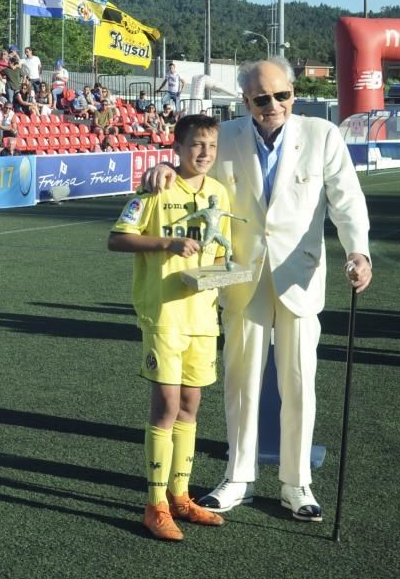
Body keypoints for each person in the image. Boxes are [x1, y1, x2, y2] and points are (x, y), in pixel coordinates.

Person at [142, 57, 373, 522]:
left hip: (300, 275)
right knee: (240, 380)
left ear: (293, 92)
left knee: (299, 382)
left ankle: (296, 483)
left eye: (282, 95)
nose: (274, 106)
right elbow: (194, 161)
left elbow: (346, 198)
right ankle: (237, 477)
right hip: (239, 277)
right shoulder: (226, 136)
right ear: (245, 100)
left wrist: (358, 252)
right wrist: (166, 168)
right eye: (262, 98)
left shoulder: (322, 134)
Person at [109, 114, 230, 541]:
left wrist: (223, 274)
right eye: (196, 145)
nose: (204, 154)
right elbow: (117, 238)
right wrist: (168, 243)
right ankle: (155, 503)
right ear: (176, 148)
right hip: (163, 315)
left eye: (211, 147)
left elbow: (219, 257)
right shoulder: (157, 187)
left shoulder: (218, 193)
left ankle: (182, 495)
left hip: (202, 316)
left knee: (191, 407)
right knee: (165, 407)